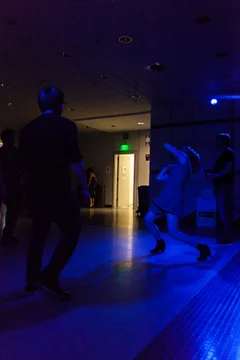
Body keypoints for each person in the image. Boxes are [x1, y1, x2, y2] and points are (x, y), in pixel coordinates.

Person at [19, 86, 90, 300]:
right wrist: (84, 187)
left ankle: (32, 279)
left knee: (38, 234)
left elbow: (24, 165)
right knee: (72, 230)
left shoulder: (28, 129)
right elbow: (75, 159)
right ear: (61, 105)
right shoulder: (66, 126)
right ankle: (50, 275)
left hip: (37, 191)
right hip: (59, 189)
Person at [144, 143, 210, 261]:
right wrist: (166, 168)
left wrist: (149, 141)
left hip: (173, 199)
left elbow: (166, 145)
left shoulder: (184, 160)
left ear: (187, 153)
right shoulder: (177, 167)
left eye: (184, 149)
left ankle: (201, 247)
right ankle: (160, 242)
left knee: (173, 232)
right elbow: (160, 178)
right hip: (165, 198)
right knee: (148, 220)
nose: (181, 149)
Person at [205, 133, 235, 244]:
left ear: (224, 141)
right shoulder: (225, 153)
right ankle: (226, 236)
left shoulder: (228, 153)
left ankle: (227, 237)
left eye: (219, 140)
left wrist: (214, 176)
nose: (217, 142)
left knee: (224, 212)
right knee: (223, 212)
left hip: (224, 186)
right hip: (221, 186)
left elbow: (228, 169)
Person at [0, 129, 21, 246]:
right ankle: (7, 235)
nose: (13, 140)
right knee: (13, 212)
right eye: (11, 138)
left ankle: (7, 235)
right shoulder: (16, 153)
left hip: (13, 185)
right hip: (11, 185)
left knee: (13, 212)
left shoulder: (16, 153)